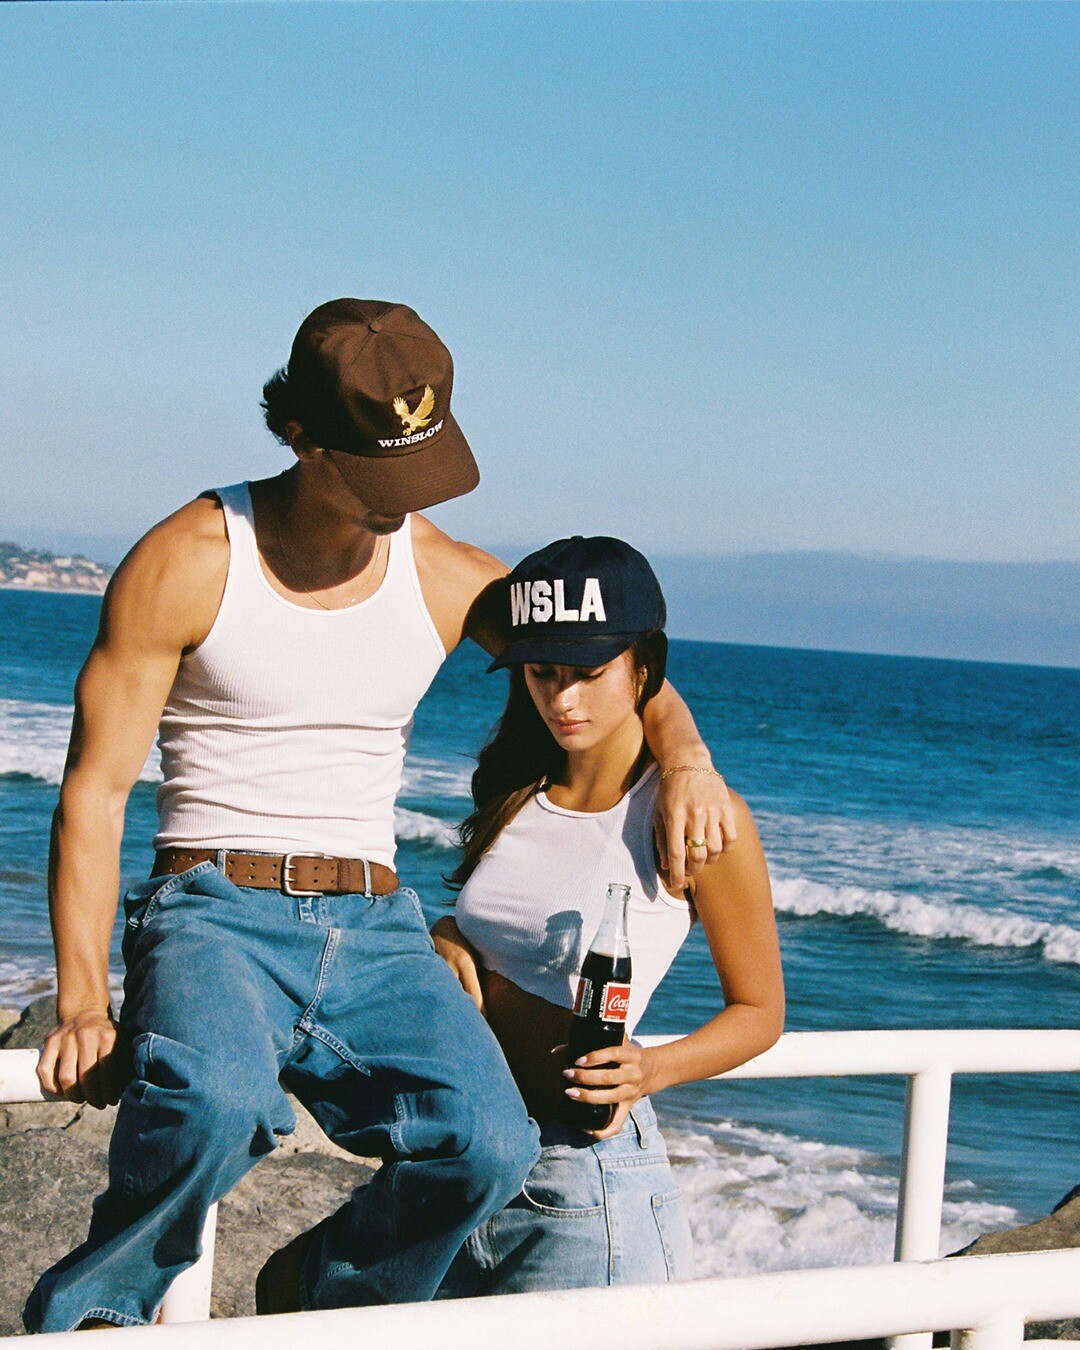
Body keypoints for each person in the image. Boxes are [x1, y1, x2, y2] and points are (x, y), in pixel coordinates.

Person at [25, 300, 734, 1331]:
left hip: (375, 925)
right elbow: (94, 793)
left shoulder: (442, 574)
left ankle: (313, 1304)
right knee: (215, 1102)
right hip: (214, 911)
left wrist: (690, 758)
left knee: (487, 1140)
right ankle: (88, 1322)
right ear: (298, 433)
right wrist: (85, 1003)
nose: (406, 503)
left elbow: (599, 652)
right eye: (378, 472)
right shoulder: (191, 559)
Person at [432, 535, 785, 1293]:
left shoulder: (694, 818)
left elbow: (760, 1012)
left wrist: (650, 1070)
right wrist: (446, 934)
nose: (563, 700)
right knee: (299, 1287)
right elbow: (502, 938)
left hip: (583, 1183)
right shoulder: (518, 792)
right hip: (470, 1153)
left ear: (642, 671)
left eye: (589, 674)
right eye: (543, 673)